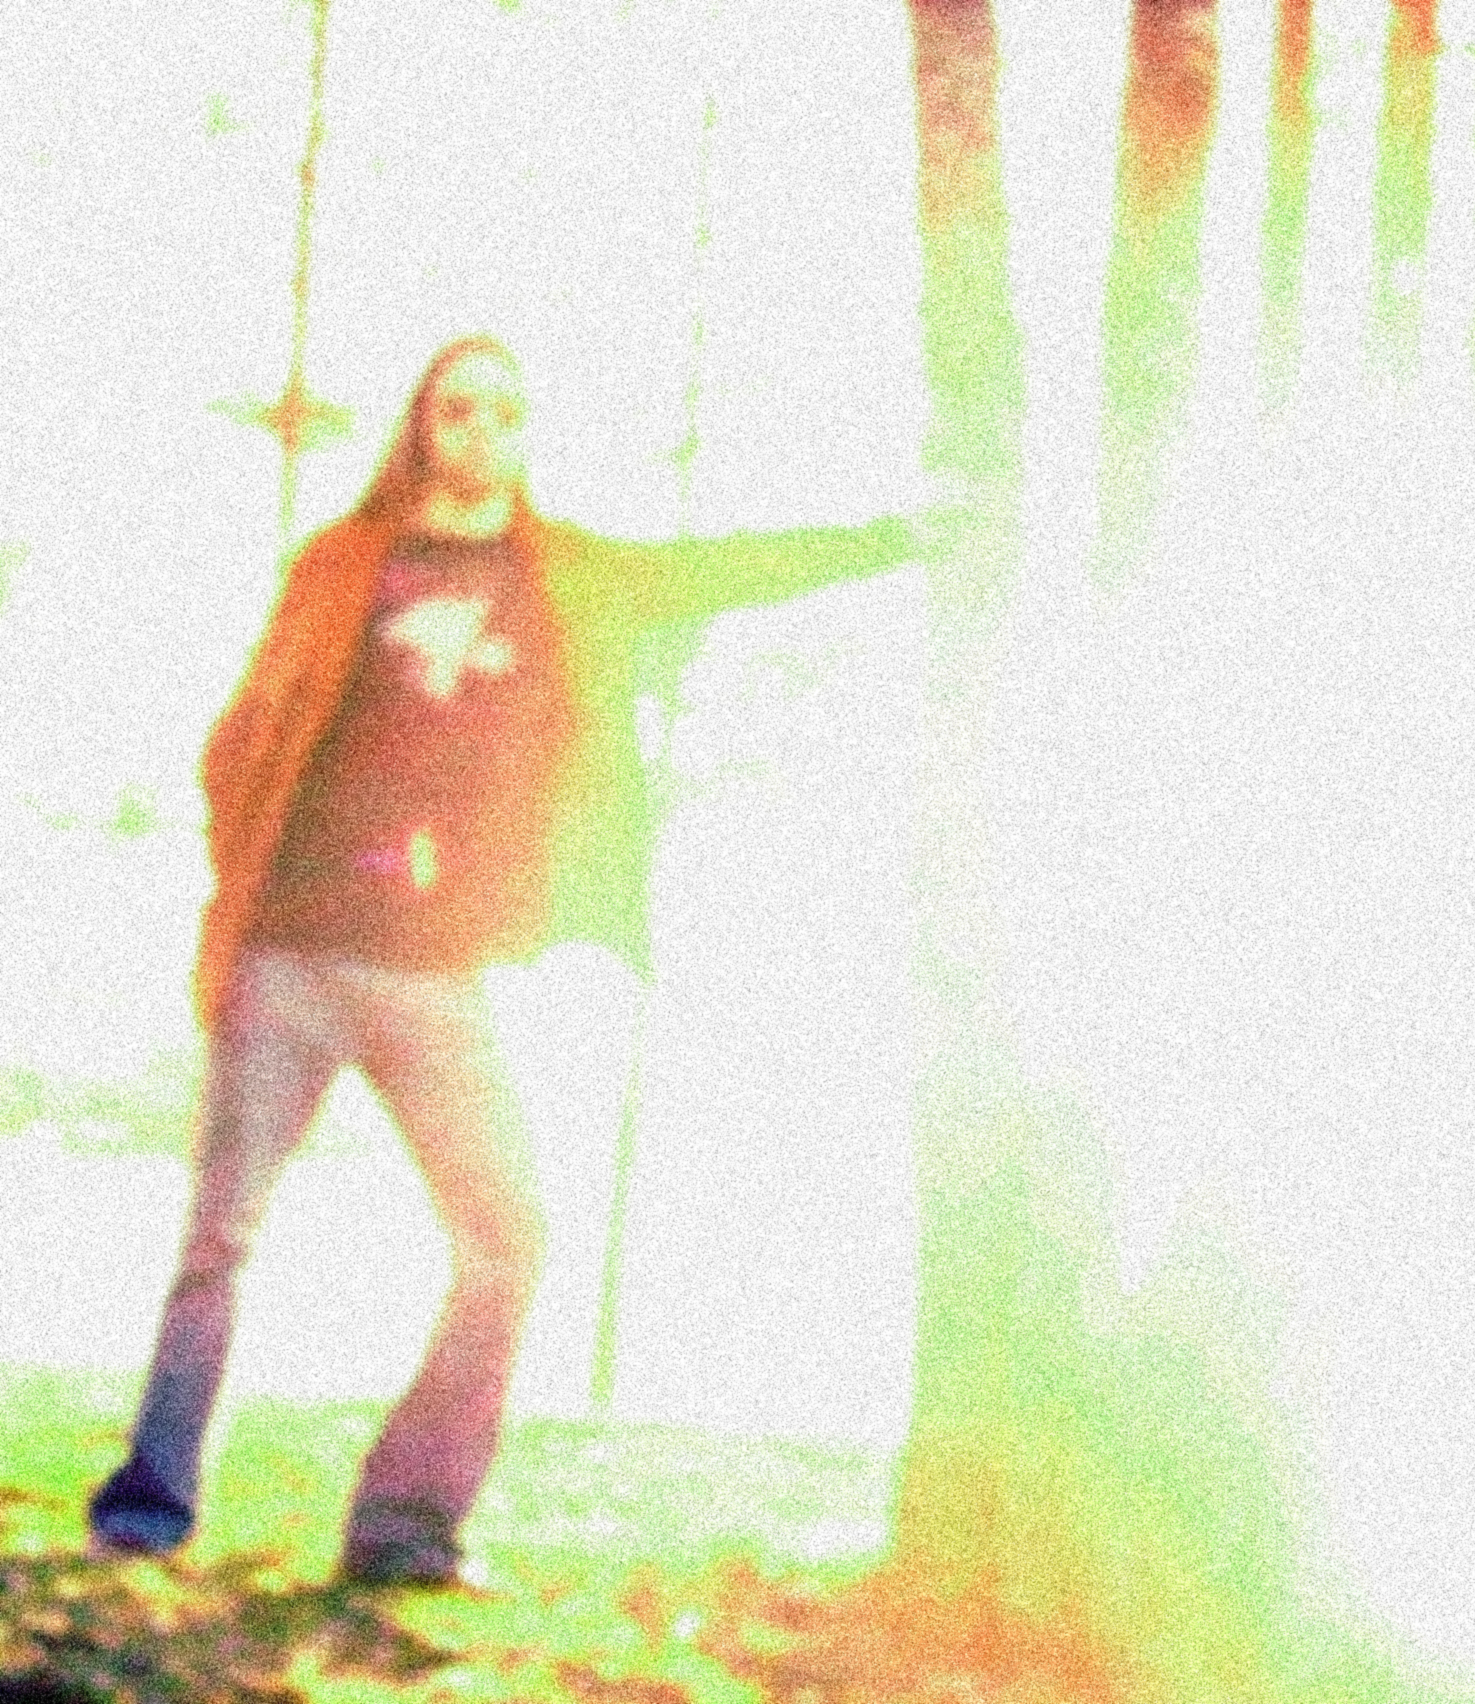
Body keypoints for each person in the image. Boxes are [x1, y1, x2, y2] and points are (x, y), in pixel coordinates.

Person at [86, 333, 923, 1585]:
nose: (483, 430)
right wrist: (251, 881)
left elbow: (721, 570)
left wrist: (903, 536)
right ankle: (147, 1510)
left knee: (509, 1238)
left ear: (530, 434)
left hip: (436, 978)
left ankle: (405, 1528)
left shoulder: (569, 575)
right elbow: (244, 734)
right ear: (421, 426)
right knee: (219, 1239)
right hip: (291, 961)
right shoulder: (342, 563)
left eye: (507, 412)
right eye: (459, 409)